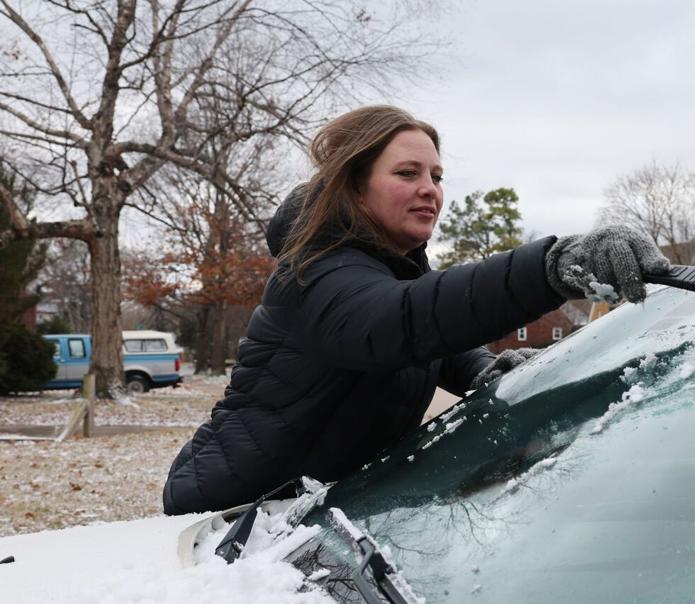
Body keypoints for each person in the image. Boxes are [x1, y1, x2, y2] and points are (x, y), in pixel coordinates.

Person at [162, 105, 668, 515]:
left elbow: (438, 348)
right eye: (408, 173)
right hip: (224, 514)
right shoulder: (313, 271)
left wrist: (487, 369)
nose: (431, 189)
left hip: (309, 512)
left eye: (436, 174)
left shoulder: (395, 272)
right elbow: (395, 322)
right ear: (353, 188)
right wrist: (552, 268)